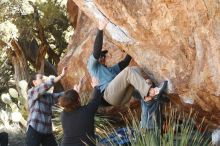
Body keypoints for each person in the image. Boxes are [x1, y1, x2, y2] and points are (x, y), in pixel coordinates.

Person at [87, 19, 167, 107]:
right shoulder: (93, 67)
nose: (103, 58)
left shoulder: (110, 71)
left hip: (122, 98)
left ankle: (148, 98)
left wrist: (131, 48)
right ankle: (151, 92)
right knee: (128, 72)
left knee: (135, 69)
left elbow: (124, 63)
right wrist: (100, 29)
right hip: (108, 96)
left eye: (104, 56)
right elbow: (96, 51)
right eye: (101, 56)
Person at [26, 67, 67, 146]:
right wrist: (61, 76)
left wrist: (74, 90)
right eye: (41, 78)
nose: (43, 79)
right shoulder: (31, 92)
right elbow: (46, 85)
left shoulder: (48, 96)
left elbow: (60, 96)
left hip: (47, 131)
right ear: (34, 82)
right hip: (34, 129)